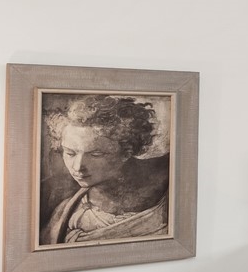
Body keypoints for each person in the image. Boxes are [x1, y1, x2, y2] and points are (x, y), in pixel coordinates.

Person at [40, 95, 170, 246]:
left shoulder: (166, 190)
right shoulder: (63, 211)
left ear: (126, 152)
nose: (77, 167)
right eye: (70, 153)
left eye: (96, 154)